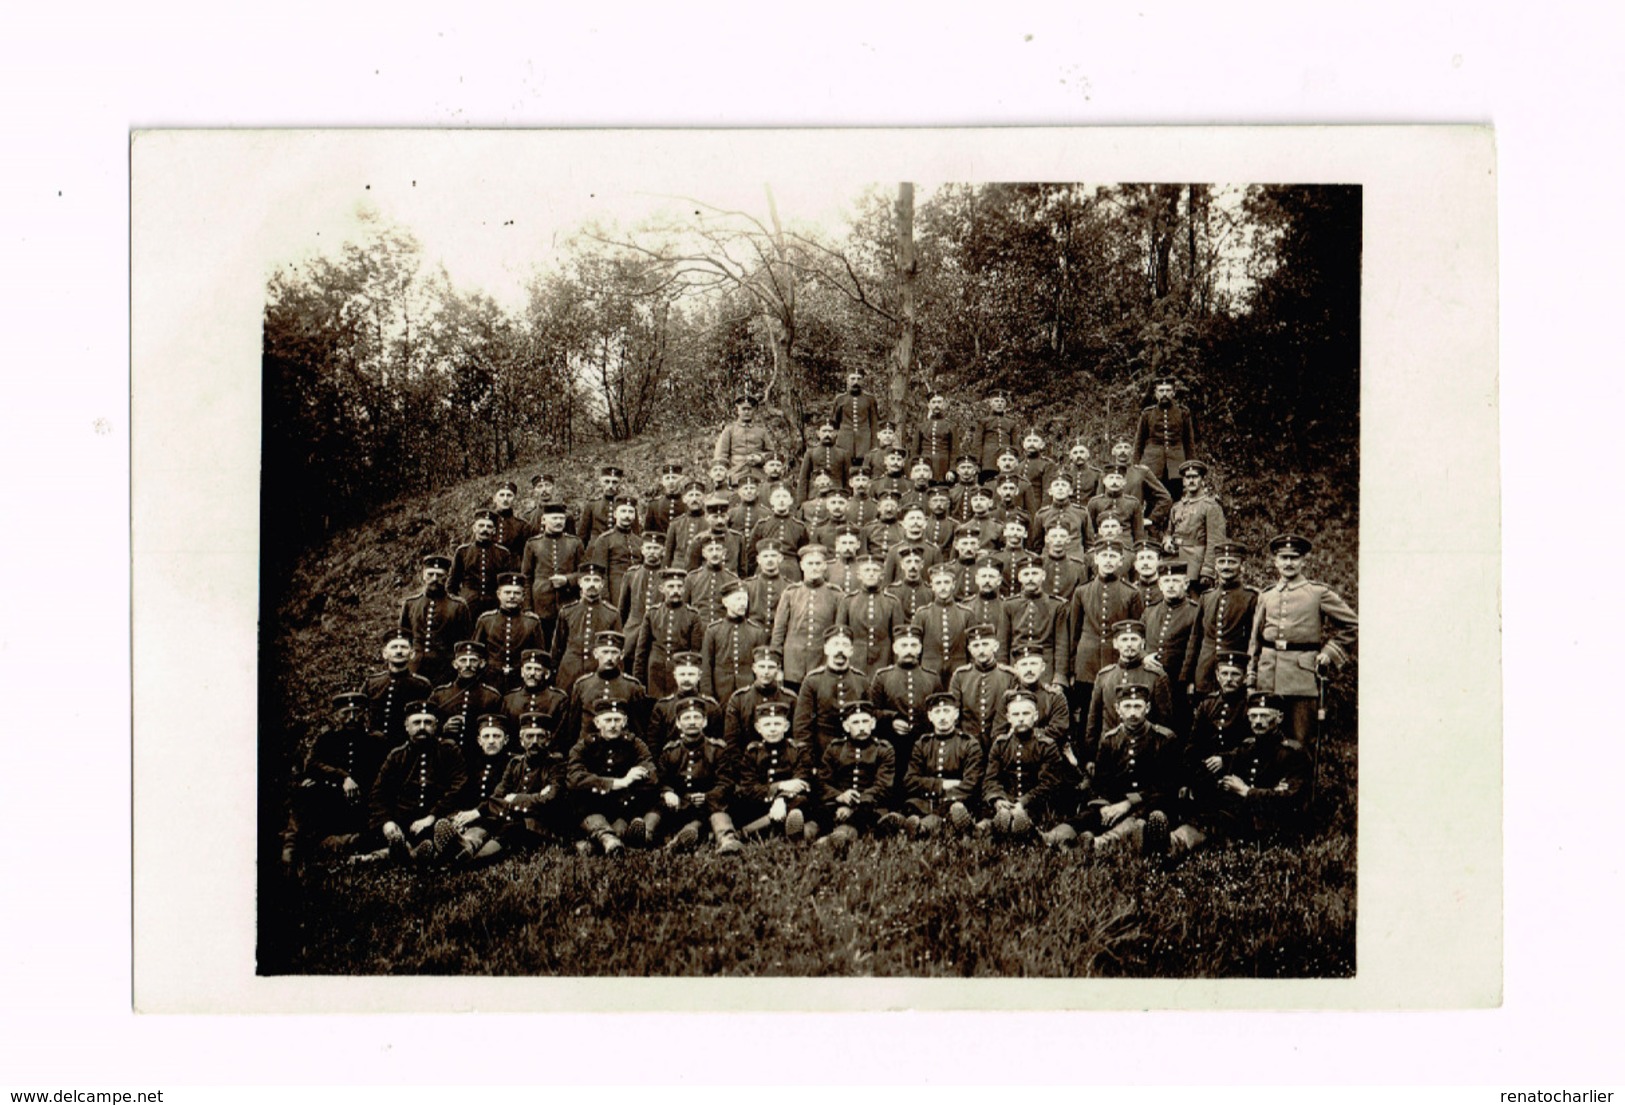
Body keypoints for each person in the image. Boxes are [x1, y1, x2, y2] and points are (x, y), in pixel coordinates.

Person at [1247, 532, 1358, 760]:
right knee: (1266, 740)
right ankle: (1268, 794)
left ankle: (1299, 793)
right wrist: (1251, 676)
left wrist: (1329, 652)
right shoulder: (1266, 595)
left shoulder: (1317, 593)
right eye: (1283, 558)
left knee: (1300, 742)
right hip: (1268, 678)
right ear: (1275, 561)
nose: (1288, 563)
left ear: (1303, 561)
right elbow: (1255, 640)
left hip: (1302, 679)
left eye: (1294, 558)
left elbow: (1353, 624)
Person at [1072, 683, 1180, 859]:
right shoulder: (1110, 740)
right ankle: (1052, 838)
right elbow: (1101, 782)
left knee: (1139, 817)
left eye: (1138, 706)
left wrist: (1129, 803)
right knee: (1089, 815)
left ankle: (1099, 844)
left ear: (1148, 708)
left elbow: (1167, 785)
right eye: (1127, 706)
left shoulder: (1164, 739)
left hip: (1152, 802)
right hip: (1117, 801)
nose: (1132, 712)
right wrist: (1105, 806)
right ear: (1117, 709)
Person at [282, 692, 389, 865]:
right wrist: (343, 777)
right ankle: (291, 849)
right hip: (335, 803)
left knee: (372, 834)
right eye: (345, 713)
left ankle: (340, 844)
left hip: (366, 803)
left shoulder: (376, 741)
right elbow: (312, 764)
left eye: (356, 712)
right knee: (307, 794)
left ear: (365, 713)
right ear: (337, 715)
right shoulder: (328, 739)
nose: (352, 718)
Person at [363, 702, 468, 866]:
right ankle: (407, 852)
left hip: (438, 819)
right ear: (407, 726)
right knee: (374, 836)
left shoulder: (448, 750)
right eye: (416, 722)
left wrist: (432, 816)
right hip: (404, 821)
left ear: (436, 726)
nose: (422, 727)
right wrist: (386, 822)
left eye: (428, 722)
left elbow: (459, 786)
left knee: (443, 836)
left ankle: (394, 855)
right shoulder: (397, 755)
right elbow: (378, 792)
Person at [1064, 538, 1144, 740]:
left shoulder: (1131, 593)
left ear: (1121, 561)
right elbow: (1074, 632)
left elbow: (1137, 632)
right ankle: (1086, 759)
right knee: (1087, 714)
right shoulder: (1082, 592)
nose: (1108, 561)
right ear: (1095, 559)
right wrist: (1072, 668)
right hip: (1087, 664)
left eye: (1113, 556)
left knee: (1114, 712)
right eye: (1104, 556)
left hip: (1116, 662)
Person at [471, 710, 576, 862]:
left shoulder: (556, 765)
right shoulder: (515, 764)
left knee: (512, 829)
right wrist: (536, 798)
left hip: (542, 828)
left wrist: (515, 799)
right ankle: (464, 848)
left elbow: (551, 799)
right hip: (514, 821)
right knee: (489, 824)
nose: (534, 741)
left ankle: (470, 862)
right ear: (521, 740)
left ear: (548, 739)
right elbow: (495, 799)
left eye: (540, 736)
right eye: (529, 736)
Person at [567, 699, 657, 855]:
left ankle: (599, 845)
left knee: (621, 826)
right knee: (584, 809)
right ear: (597, 722)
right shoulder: (585, 746)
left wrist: (635, 778)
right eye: (608, 720)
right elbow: (574, 778)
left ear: (625, 722)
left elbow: (652, 775)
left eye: (617, 720)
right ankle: (608, 840)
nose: (613, 725)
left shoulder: (635, 744)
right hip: (591, 807)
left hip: (622, 806)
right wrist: (618, 782)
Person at [654, 697, 743, 854]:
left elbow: (726, 782)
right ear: (678, 723)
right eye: (687, 718)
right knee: (666, 814)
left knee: (717, 814)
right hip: (681, 807)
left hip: (709, 806)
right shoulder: (670, 752)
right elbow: (661, 779)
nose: (692, 722)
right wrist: (667, 792)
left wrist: (708, 796)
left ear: (705, 722)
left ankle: (727, 840)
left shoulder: (717, 750)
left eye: (697, 717)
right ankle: (677, 839)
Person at [1084, 619, 1176, 766]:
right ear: (1115, 644)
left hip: (1146, 757)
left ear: (1143, 643)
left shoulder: (1156, 676)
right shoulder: (1104, 676)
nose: (1129, 644)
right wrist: (1091, 757)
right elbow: (1093, 721)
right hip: (1110, 753)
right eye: (1124, 639)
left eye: (1134, 639)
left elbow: (1164, 722)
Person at [978, 689, 1066, 840]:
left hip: (1034, 805)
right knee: (998, 815)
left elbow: (1049, 784)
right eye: (1016, 714)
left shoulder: (1046, 745)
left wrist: (1023, 802)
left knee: (1025, 817)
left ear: (1035, 717)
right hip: (1006, 801)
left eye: (1026, 714)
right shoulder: (1000, 745)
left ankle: (1022, 828)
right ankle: (986, 827)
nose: (1021, 719)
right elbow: (991, 780)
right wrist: (998, 799)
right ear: (1008, 718)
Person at [817, 700, 903, 851]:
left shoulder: (883, 749)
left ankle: (838, 839)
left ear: (873, 724)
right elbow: (822, 782)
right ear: (846, 726)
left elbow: (883, 786)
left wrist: (854, 805)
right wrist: (840, 797)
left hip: (870, 806)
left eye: (865, 721)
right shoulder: (835, 749)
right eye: (856, 722)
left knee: (864, 819)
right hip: (837, 808)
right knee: (821, 817)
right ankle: (815, 837)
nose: (862, 727)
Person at [866, 623, 941, 793]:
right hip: (892, 745)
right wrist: (890, 720)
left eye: (913, 645)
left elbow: (939, 711)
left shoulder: (932, 678)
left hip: (924, 747)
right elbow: (872, 712)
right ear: (895, 648)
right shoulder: (882, 677)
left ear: (920, 648)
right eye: (904, 645)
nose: (909, 650)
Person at [730, 700, 817, 842]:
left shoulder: (798, 749)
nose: (772, 729)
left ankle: (744, 834)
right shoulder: (753, 752)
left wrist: (781, 798)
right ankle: (781, 830)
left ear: (786, 726)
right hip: (761, 805)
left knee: (801, 800)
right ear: (758, 728)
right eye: (767, 724)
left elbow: (802, 781)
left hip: (792, 803)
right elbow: (749, 788)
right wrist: (779, 786)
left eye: (777, 724)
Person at [904, 691, 984, 836]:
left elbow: (971, 783)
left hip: (957, 802)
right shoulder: (922, 744)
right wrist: (941, 785)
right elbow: (910, 781)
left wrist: (944, 800)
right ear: (930, 716)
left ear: (956, 714)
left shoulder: (969, 744)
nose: (942, 717)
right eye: (937, 712)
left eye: (946, 711)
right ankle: (917, 827)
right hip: (926, 803)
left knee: (952, 811)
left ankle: (922, 829)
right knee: (915, 807)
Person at [1188, 541, 1259, 695]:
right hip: (1205, 672)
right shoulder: (1207, 597)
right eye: (1221, 562)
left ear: (1242, 566)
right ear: (1215, 566)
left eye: (1232, 562)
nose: (1226, 566)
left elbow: (1255, 641)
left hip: (1234, 673)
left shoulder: (1251, 597)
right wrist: (1187, 677)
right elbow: (1195, 639)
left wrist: (1251, 673)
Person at [770, 543, 843, 688]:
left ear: (824, 566)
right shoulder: (790, 593)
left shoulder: (836, 595)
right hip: (793, 664)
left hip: (822, 662)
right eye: (810, 563)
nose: (814, 568)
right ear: (802, 566)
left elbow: (839, 632)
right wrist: (776, 663)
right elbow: (779, 631)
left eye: (818, 563)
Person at [793, 625, 870, 761]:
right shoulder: (812, 681)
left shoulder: (861, 680)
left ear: (851, 651)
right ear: (826, 649)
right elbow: (802, 726)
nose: (840, 649)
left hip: (854, 753)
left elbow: (870, 720)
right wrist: (809, 761)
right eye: (835, 644)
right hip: (822, 752)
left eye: (845, 645)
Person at [399, 553, 473, 686]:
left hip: (445, 669)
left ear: (446, 577)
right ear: (423, 576)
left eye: (440, 575)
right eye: (430, 574)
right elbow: (404, 637)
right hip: (415, 666)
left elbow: (464, 640)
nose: (434, 579)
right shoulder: (411, 604)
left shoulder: (458, 606)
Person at [565, 630, 649, 745]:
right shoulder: (582, 685)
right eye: (605, 652)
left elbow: (639, 729)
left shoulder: (632, 687)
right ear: (595, 653)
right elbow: (572, 728)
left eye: (614, 652)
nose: (609, 657)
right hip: (589, 750)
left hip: (622, 751)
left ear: (622, 654)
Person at [631, 568, 705, 699]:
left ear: (684, 589)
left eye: (679, 586)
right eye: (671, 586)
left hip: (680, 676)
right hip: (655, 674)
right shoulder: (652, 613)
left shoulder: (693, 616)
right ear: (662, 589)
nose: (675, 591)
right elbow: (641, 650)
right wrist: (639, 680)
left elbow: (696, 652)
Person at [550, 562, 623, 692]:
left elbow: (617, 648)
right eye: (587, 580)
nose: (592, 584)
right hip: (569, 672)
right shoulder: (567, 611)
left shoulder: (612, 614)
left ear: (602, 584)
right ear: (580, 583)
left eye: (596, 580)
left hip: (597, 673)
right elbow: (558, 647)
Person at [1145, 562, 1201, 727]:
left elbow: (1196, 649)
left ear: (1186, 584)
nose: (1171, 585)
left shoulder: (1194, 611)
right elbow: (1138, 638)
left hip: (1178, 681)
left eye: (1176, 581)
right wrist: (1144, 656)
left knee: (1178, 723)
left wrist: (1189, 680)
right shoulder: (1150, 611)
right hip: (1150, 679)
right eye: (1166, 581)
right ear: (1160, 585)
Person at [520, 502, 585, 644]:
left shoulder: (575, 543)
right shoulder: (532, 544)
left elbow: (584, 574)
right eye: (554, 518)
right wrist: (527, 607)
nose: (558, 522)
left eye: (561, 519)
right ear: (543, 520)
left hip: (568, 602)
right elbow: (526, 577)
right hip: (542, 604)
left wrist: (567, 580)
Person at [948, 623, 1019, 749]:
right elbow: (954, 714)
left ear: (995, 646)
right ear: (969, 649)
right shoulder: (960, 676)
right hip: (967, 744)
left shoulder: (1009, 676)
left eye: (985, 644)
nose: (981, 650)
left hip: (1001, 744)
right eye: (976, 645)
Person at [472, 573, 546, 691]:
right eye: (507, 592)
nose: (512, 596)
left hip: (520, 682)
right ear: (498, 594)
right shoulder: (486, 620)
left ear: (523, 596)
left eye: (517, 593)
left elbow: (539, 655)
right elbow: (476, 653)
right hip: (490, 680)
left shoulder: (532, 623)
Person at [428, 641, 505, 754]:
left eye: (473, 660)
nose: (468, 665)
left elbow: (498, 727)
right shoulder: (440, 694)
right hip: (444, 754)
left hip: (477, 755)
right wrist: (443, 728)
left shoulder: (492, 696)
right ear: (455, 664)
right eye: (463, 660)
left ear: (482, 663)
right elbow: (427, 723)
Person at [699, 578, 767, 706]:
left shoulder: (756, 631)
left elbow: (761, 665)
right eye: (738, 599)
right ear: (725, 602)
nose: (743, 604)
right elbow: (706, 665)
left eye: (745, 599)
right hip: (720, 691)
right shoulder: (713, 630)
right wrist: (707, 694)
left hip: (748, 690)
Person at [838, 553, 908, 676]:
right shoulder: (848, 601)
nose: (871, 574)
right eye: (867, 570)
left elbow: (898, 637)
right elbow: (841, 635)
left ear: (881, 575)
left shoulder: (892, 602)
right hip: (855, 661)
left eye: (875, 570)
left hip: (884, 660)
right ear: (859, 575)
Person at [1003, 554, 1067, 685]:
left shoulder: (1056, 605)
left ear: (1043, 576)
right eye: (1026, 574)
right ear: (1019, 577)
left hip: (1046, 666)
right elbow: (1003, 642)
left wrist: (1059, 677)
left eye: (1035, 573)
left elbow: (1061, 643)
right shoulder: (1009, 605)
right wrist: (1004, 673)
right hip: (1016, 664)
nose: (1031, 578)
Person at [362, 631, 433, 748]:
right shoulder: (372, 683)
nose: (399, 651)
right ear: (385, 653)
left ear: (412, 653)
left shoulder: (421, 685)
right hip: (372, 747)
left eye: (404, 647)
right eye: (394, 647)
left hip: (406, 748)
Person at [1134, 376, 1197, 504]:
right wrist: (1135, 466)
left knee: (1175, 500)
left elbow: (1189, 442)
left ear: (1173, 393)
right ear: (1155, 393)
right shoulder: (1147, 414)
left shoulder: (1183, 412)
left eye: (1168, 390)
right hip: (1152, 464)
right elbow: (1139, 442)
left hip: (1176, 464)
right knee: (1153, 501)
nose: (1164, 394)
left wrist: (1191, 466)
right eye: (1161, 390)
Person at [1163, 460, 1226, 589]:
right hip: (1175, 560)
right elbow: (1169, 531)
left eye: (1195, 477)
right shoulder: (1177, 507)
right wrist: (1167, 540)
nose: (1191, 481)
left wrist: (1208, 570)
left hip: (1196, 565)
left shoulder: (1210, 507)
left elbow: (1215, 541)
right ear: (1183, 481)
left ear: (1202, 480)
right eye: (1187, 477)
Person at [722, 646, 798, 753]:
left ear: (778, 668)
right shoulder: (739, 699)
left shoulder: (790, 699)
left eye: (771, 667)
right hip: (746, 763)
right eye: (762, 666)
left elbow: (796, 736)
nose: (766, 672)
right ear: (754, 668)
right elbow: (731, 740)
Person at [449, 509, 517, 619]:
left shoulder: (503, 553)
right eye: (481, 525)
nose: (484, 529)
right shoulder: (462, 551)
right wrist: (454, 605)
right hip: (468, 604)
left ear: (494, 530)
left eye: (489, 527)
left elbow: (506, 582)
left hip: (494, 605)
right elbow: (452, 582)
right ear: (474, 528)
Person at [647, 651, 723, 748]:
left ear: (699, 676)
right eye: (682, 674)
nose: (686, 679)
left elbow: (717, 743)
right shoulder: (663, 707)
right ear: (675, 675)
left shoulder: (711, 707)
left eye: (691, 674)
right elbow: (654, 743)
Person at [911, 563, 973, 677]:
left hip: (958, 670)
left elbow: (972, 649)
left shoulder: (966, 614)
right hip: (929, 669)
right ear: (932, 586)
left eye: (947, 582)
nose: (943, 587)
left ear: (953, 585)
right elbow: (914, 647)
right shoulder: (922, 614)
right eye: (938, 583)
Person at [587, 495, 643, 604]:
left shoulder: (639, 541)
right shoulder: (604, 540)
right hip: (615, 590)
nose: (627, 515)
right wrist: (604, 599)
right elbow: (600, 573)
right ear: (615, 514)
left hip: (637, 590)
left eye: (631, 512)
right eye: (623, 511)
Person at [1109, 437, 1173, 533]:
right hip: (1109, 526)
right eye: (1119, 447)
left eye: (1126, 447)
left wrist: (1152, 518)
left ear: (1132, 451)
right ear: (1113, 451)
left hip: (1133, 526)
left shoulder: (1142, 472)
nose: (1123, 451)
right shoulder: (1105, 474)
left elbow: (1165, 498)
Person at [618, 530, 670, 645]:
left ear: (663, 551)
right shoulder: (632, 574)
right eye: (649, 548)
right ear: (642, 550)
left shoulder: (668, 577)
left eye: (656, 548)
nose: (652, 551)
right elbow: (623, 608)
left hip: (659, 629)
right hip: (633, 629)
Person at [500, 649, 568, 736]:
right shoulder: (509, 699)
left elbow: (559, 734)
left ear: (547, 674)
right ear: (522, 672)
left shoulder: (558, 699)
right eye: (528, 668)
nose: (532, 673)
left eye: (537, 670)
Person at [749, 486, 809, 583]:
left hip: (791, 569)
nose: (781, 500)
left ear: (791, 501)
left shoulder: (799, 526)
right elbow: (752, 553)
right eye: (777, 497)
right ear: (771, 501)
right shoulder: (762, 525)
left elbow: (803, 553)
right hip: (765, 567)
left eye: (784, 497)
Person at [713, 393, 775, 482]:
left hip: (758, 472)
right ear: (738, 410)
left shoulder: (761, 431)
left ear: (754, 410)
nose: (746, 412)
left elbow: (771, 453)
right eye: (743, 409)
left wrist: (760, 458)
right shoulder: (729, 430)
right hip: (735, 471)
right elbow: (721, 455)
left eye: (749, 409)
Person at [1086, 464, 1146, 549]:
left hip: (1126, 546)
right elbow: (1090, 532)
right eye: (1111, 478)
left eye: (1118, 478)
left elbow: (1138, 533)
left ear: (1124, 481)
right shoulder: (1095, 503)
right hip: (1101, 545)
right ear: (1104, 481)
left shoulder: (1133, 503)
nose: (1114, 482)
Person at [832, 369, 883, 464]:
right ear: (847, 380)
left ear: (863, 381)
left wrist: (874, 445)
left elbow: (874, 424)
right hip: (844, 442)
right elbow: (835, 423)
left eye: (859, 379)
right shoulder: (840, 399)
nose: (856, 382)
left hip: (864, 442)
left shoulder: (870, 399)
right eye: (852, 378)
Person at [798, 420, 852, 504]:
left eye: (830, 431)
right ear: (818, 433)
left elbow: (848, 479)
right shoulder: (810, 453)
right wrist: (801, 503)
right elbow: (803, 479)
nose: (827, 434)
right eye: (824, 431)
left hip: (837, 496)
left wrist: (846, 496)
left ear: (836, 433)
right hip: (814, 496)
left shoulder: (843, 454)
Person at [910, 392, 961, 481]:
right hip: (924, 466)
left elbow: (955, 451)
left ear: (944, 404)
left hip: (944, 466)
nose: (936, 405)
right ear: (928, 405)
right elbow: (915, 450)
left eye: (939, 402)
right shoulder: (921, 426)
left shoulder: (951, 426)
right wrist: (915, 467)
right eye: (933, 402)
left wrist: (952, 470)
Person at [744, 538, 793, 626]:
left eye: (773, 556)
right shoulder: (748, 585)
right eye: (765, 556)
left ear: (780, 558)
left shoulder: (789, 587)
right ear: (758, 560)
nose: (769, 559)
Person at [975, 391, 1021, 483]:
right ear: (991, 403)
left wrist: (1017, 460)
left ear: (1005, 405)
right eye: (996, 401)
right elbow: (977, 443)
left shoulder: (1011, 423)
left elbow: (1015, 444)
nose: (999, 404)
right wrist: (977, 462)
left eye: (1002, 401)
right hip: (988, 460)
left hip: (1006, 458)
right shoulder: (983, 422)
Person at [577, 465, 625, 550]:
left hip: (619, 551)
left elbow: (635, 536)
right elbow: (583, 536)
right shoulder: (592, 506)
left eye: (614, 482)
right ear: (600, 482)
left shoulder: (626, 506)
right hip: (596, 551)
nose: (610, 486)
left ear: (620, 483)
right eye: (607, 481)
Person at [728, 474, 767, 575]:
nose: (749, 491)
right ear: (739, 492)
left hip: (757, 556)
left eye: (752, 488)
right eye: (745, 488)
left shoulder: (766, 513)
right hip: (737, 555)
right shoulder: (731, 513)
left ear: (757, 491)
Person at [488, 480, 535, 562]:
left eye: (509, 495)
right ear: (494, 498)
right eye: (502, 495)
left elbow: (526, 555)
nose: (505, 499)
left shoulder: (522, 525)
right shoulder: (485, 522)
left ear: (514, 499)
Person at [643, 463, 687, 535]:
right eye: (667, 478)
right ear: (663, 482)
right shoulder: (654, 505)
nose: (671, 481)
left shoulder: (687, 504)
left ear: (681, 480)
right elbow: (647, 534)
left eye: (674, 477)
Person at [1055, 438, 1103, 503]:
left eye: (1082, 452)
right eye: (1075, 453)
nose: (1079, 455)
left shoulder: (1097, 474)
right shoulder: (1064, 474)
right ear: (1070, 456)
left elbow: (1099, 499)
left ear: (1088, 455)